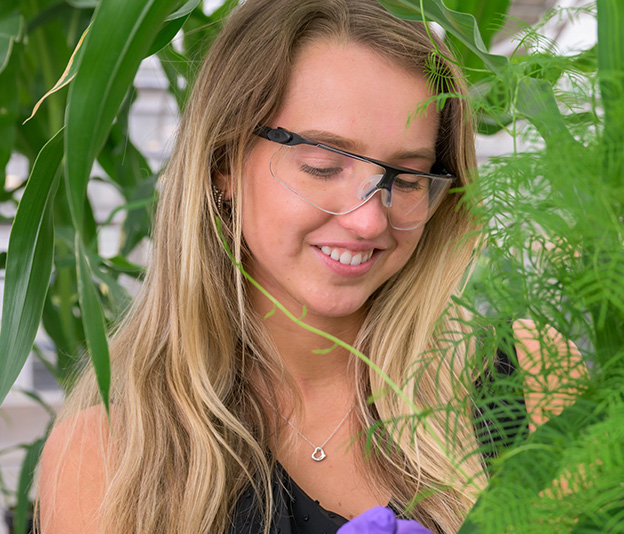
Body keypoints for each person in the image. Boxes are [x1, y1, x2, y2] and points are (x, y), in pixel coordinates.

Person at [37, 1, 578, 532]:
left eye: (407, 178)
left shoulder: (533, 379)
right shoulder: (110, 457)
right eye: (324, 166)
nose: (369, 222)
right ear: (223, 161)